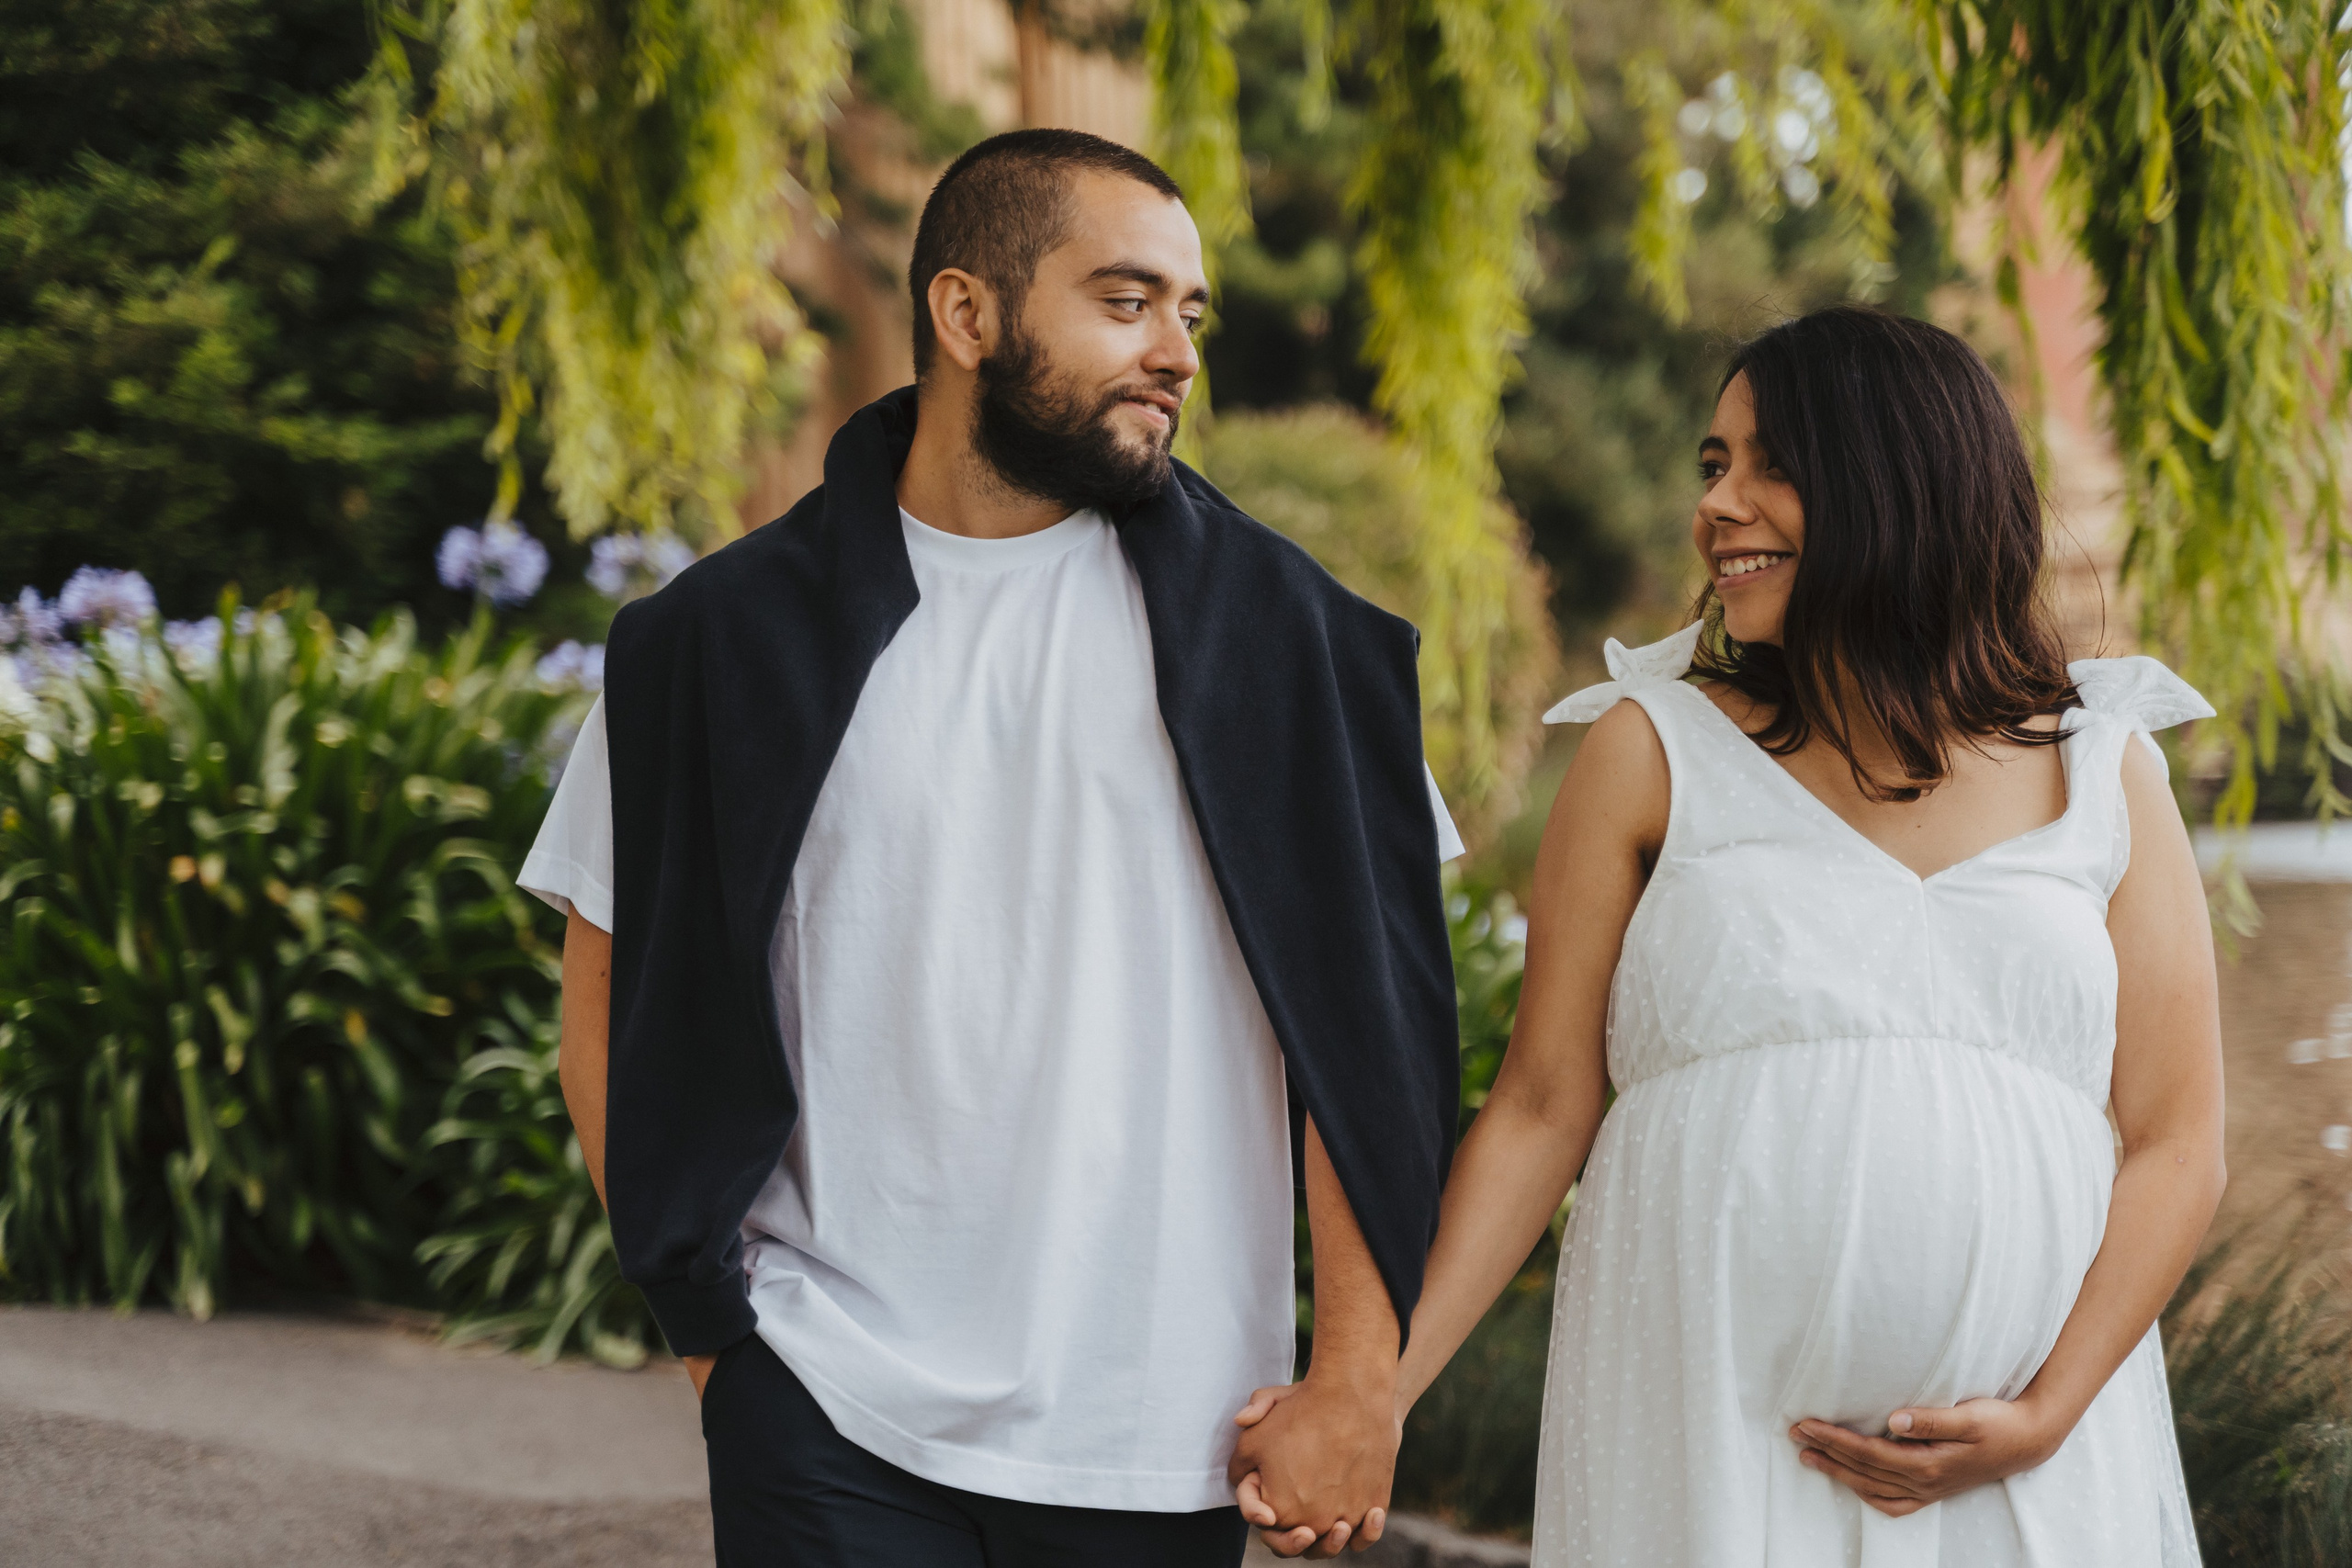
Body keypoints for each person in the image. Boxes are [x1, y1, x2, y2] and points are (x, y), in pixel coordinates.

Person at [518, 128, 1464, 1567]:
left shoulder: (1294, 645)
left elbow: (1369, 1032)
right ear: (968, 315)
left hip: (1165, 1432)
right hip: (824, 1407)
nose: (1176, 352)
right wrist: (720, 1347)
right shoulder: (716, 644)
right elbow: (608, 1003)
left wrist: (1357, 1376)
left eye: (1191, 313)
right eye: (1128, 301)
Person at [1238, 305, 2222, 1564]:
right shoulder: (1651, 750)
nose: (1718, 506)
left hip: (2025, 1475)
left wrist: (2046, 1413)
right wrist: (1373, 1391)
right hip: (1705, 1445)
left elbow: (2179, 1141)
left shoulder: (2103, 765)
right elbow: (1542, 1107)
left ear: (1902, 482)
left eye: (1770, 466)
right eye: (1713, 466)